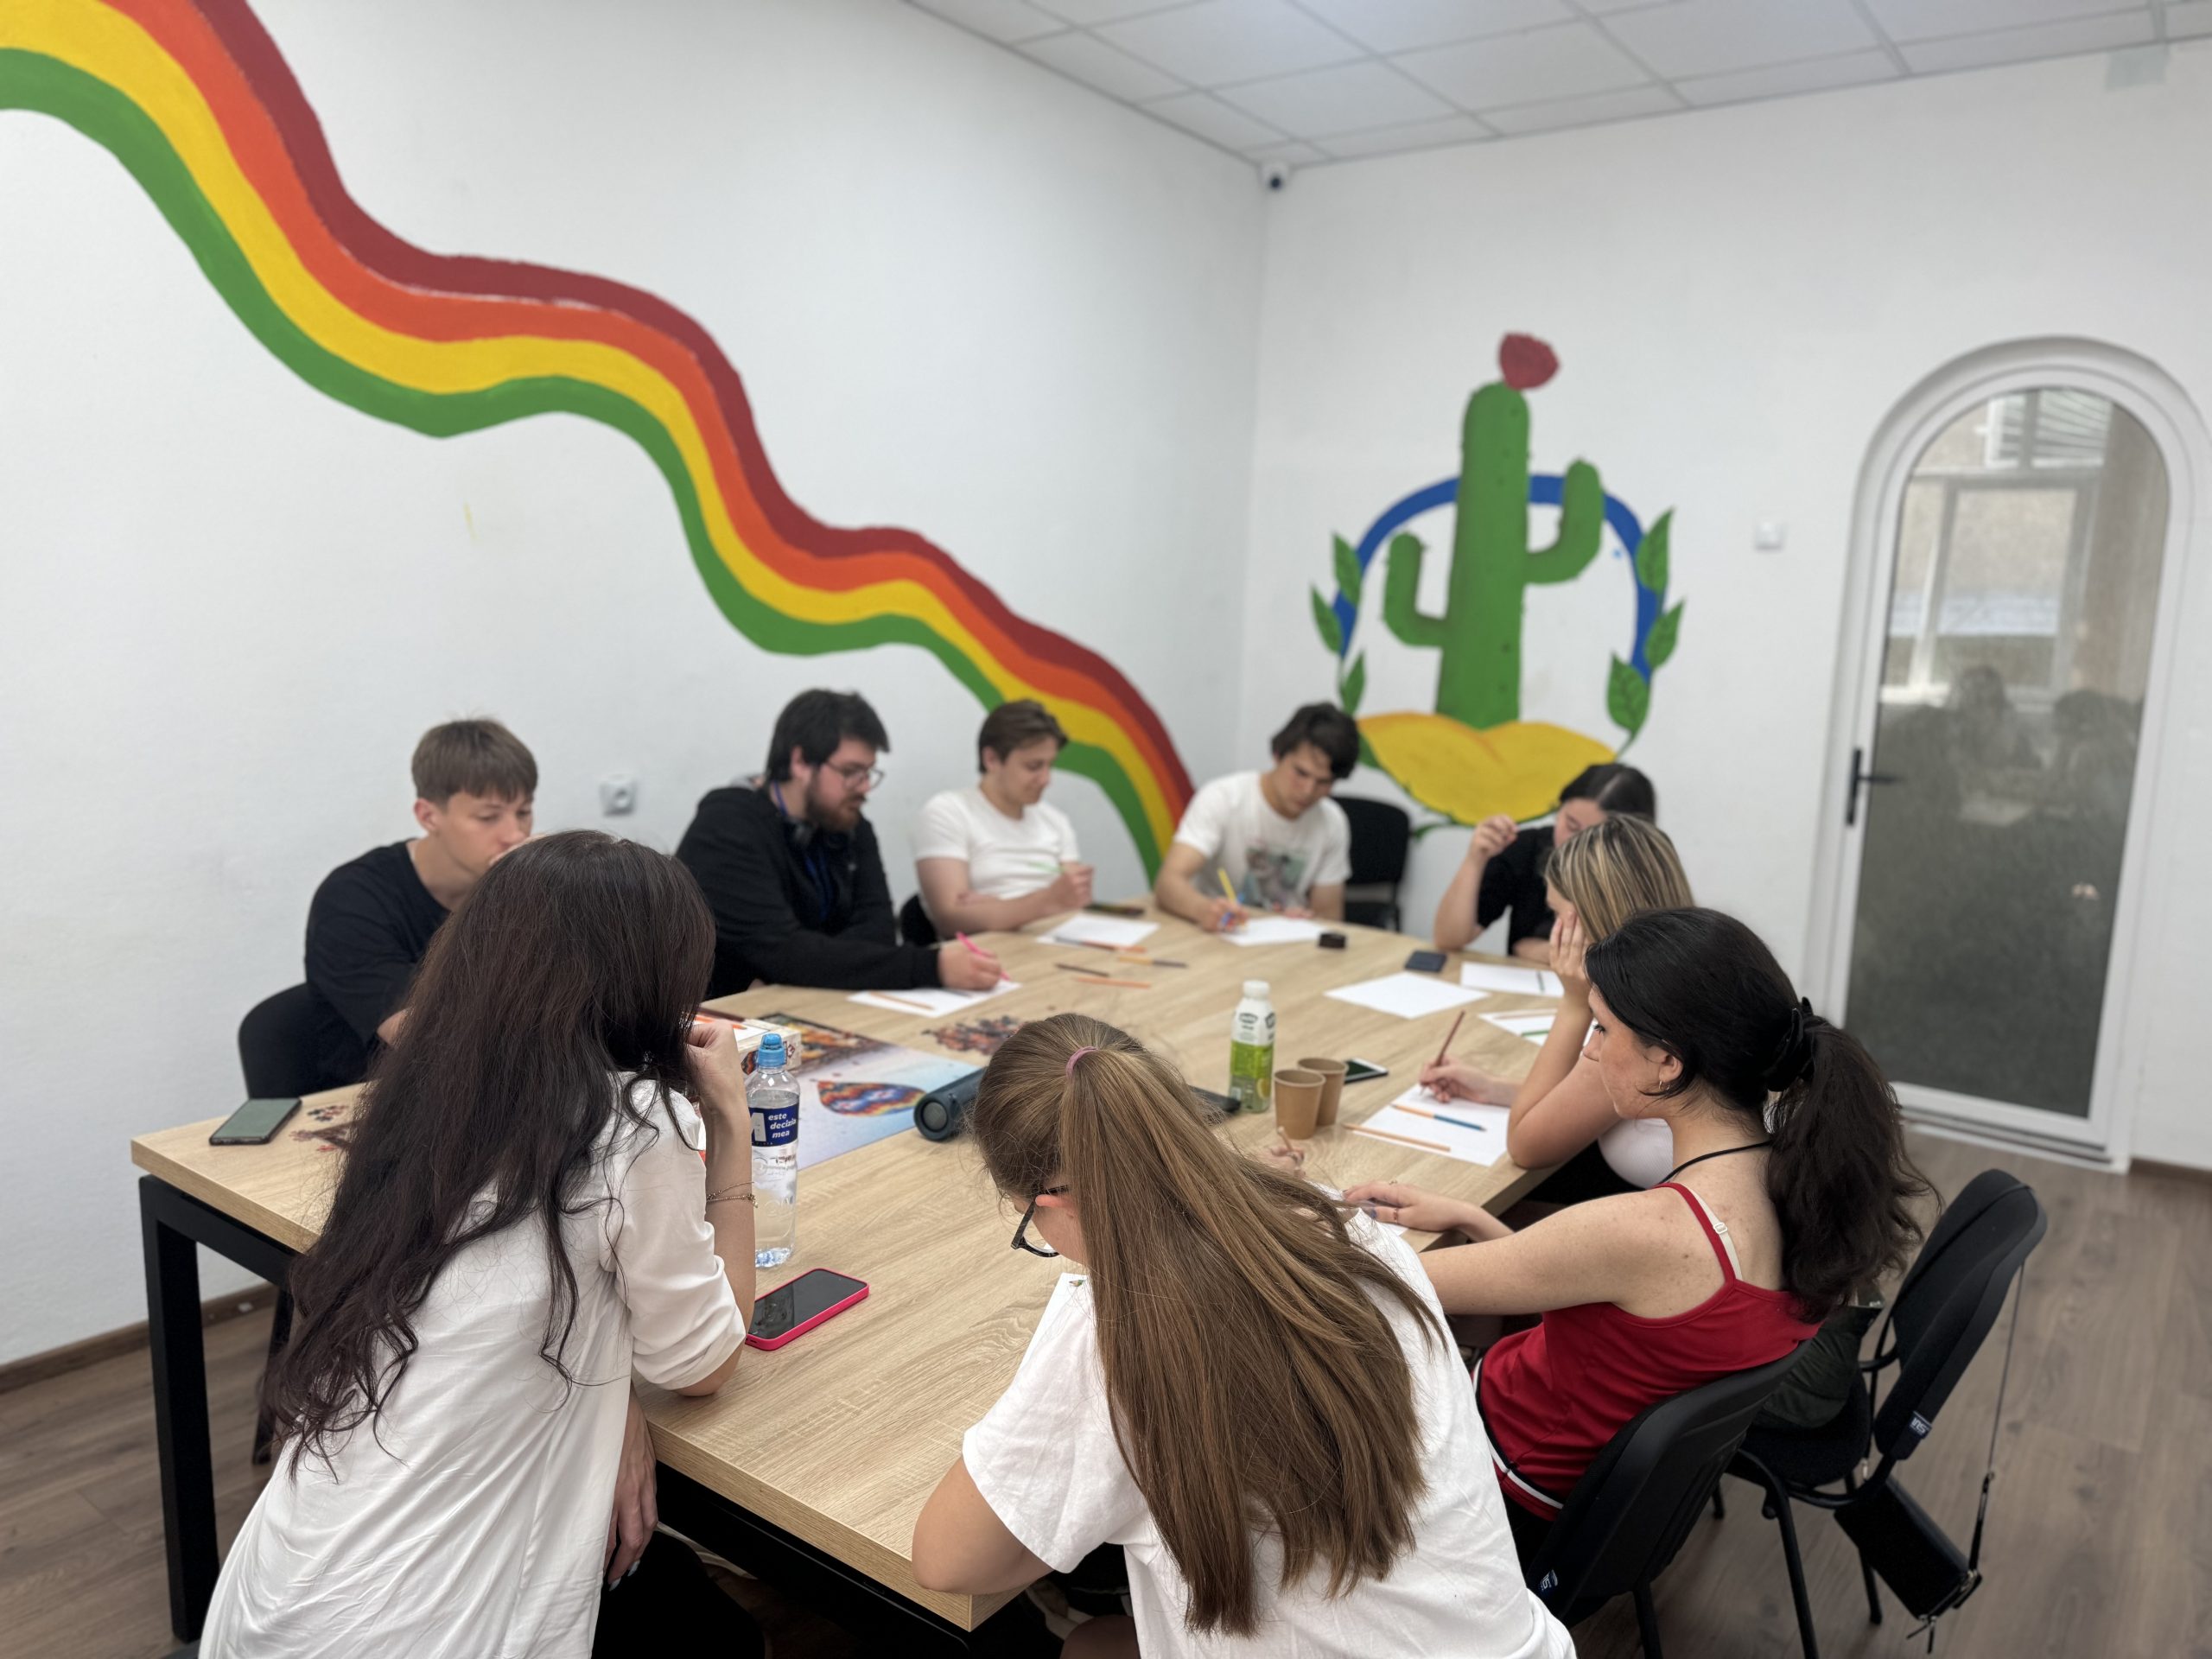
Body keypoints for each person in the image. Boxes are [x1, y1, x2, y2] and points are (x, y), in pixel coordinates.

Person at [203, 833, 760, 1658]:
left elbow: (494, 1306)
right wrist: (731, 1124)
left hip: (273, 1602)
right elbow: (704, 1364)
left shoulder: (424, 1090)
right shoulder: (638, 1121)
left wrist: (616, 1404)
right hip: (426, 1633)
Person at [910, 1015, 1573, 1659]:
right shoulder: (1349, 1228)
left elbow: (945, 1562)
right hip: (1516, 1643)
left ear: (1050, 1203)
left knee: (1082, 1641)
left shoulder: (1118, 1334)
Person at [1349, 908, 1926, 1564]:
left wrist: (1283, 1198)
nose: (1590, 1049)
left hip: (1493, 1485)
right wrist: (1471, 1218)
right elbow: (1622, 1310)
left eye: (1601, 1027)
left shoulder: (1645, 1230)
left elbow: (1385, 1278)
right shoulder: (1797, 1186)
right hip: (1593, 1502)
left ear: (1668, 1063)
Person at [1422, 814, 1693, 1201]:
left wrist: (1574, 1003)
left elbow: (1525, 1146)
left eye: (1555, 914)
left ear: (1593, 914)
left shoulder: (1636, 1016)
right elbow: (1593, 1096)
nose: (1552, 932)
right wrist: (1494, 1088)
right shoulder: (1683, 967)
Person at [676, 689, 1001, 997]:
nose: (864, 787)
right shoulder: (726, 827)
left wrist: (813, 961)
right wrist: (932, 967)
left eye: (868, 773)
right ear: (800, 762)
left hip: (808, 1002)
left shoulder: (850, 824)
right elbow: (782, 952)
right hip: (719, 1016)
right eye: (851, 772)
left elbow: (879, 934)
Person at [303, 717, 537, 1091]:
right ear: (428, 816)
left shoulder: (520, 890)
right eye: (488, 817)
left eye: (523, 812)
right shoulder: (352, 899)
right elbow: (431, 1039)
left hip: (499, 1092)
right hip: (378, 1100)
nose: (515, 834)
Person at [1153, 704, 1357, 931]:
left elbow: (1329, 918)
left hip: (1283, 941)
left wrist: (1309, 922)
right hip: (1215, 935)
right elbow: (1168, 882)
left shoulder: (1331, 821)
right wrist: (1204, 910)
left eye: (1323, 782)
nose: (1308, 790)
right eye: (1301, 773)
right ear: (1277, 755)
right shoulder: (1224, 798)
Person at [1431, 763, 1655, 963]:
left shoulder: (1644, 874)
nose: (1571, 842)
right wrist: (1475, 859)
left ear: (1625, 843)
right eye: (1571, 824)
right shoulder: (1527, 848)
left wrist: (1533, 949)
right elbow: (1448, 939)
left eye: (1590, 837)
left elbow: (1623, 962)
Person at [914, 700, 1093, 936]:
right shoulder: (948, 812)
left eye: (1050, 765)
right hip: (988, 951)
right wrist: (1045, 902)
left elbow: (1073, 899)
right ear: (991, 760)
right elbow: (950, 919)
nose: (1046, 779)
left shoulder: (1055, 820)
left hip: (1055, 941)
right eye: (1033, 766)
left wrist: (998, 909)